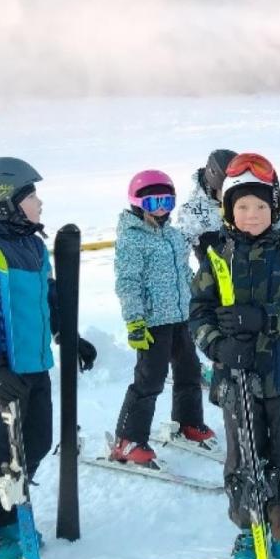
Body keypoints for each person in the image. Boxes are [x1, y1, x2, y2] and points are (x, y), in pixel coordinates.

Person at [0, 157, 96, 559]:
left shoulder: (30, 244)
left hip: (33, 367)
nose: (39, 203)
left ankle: (5, 515)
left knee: (35, 443)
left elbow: (45, 300)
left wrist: (68, 333)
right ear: (1, 202)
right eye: (30, 196)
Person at [189, 153, 280, 559]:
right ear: (228, 210)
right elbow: (198, 313)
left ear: (275, 209)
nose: (251, 215)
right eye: (242, 206)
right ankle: (250, 528)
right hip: (237, 381)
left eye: (261, 207)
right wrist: (218, 348)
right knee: (244, 456)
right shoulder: (216, 259)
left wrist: (266, 317)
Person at [108, 169, 214, 466]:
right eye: (154, 203)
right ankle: (127, 439)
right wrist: (135, 321)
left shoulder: (174, 235)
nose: (162, 209)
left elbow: (185, 273)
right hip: (153, 322)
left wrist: (198, 300)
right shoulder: (131, 239)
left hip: (182, 317)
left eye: (167, 201)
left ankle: (188, 422)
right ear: (138, 204)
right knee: (149, 380)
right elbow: (127, 282)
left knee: (189, 373)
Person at [176, 148, 236, 265]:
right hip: (215, 277)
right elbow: (178, 255)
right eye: (227, 191)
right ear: (214, 185)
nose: (233, 198)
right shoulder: (193, 212)